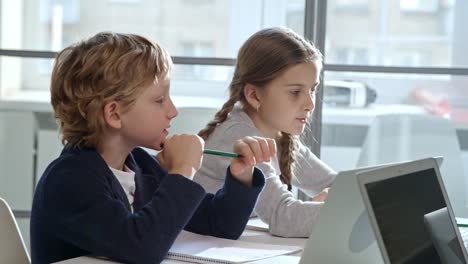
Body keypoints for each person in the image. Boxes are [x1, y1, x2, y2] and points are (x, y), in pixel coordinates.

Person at [30, 32, 276, 264]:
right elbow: (141, 249)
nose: (172, 111)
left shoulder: (139, 164)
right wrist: (181, 170)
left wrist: (241, 176)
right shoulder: (69, 181)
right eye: (159, 100)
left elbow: (220, 224)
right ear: (114, 113)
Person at [193, 27, 336, 238]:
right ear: (254, 95)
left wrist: (336, 197)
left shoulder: (281, 135)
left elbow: (336, 184)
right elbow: (284, 218)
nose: (310, 104)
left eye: (312, 89)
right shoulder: (239, 136)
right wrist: (338, 206)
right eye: (296, 92)